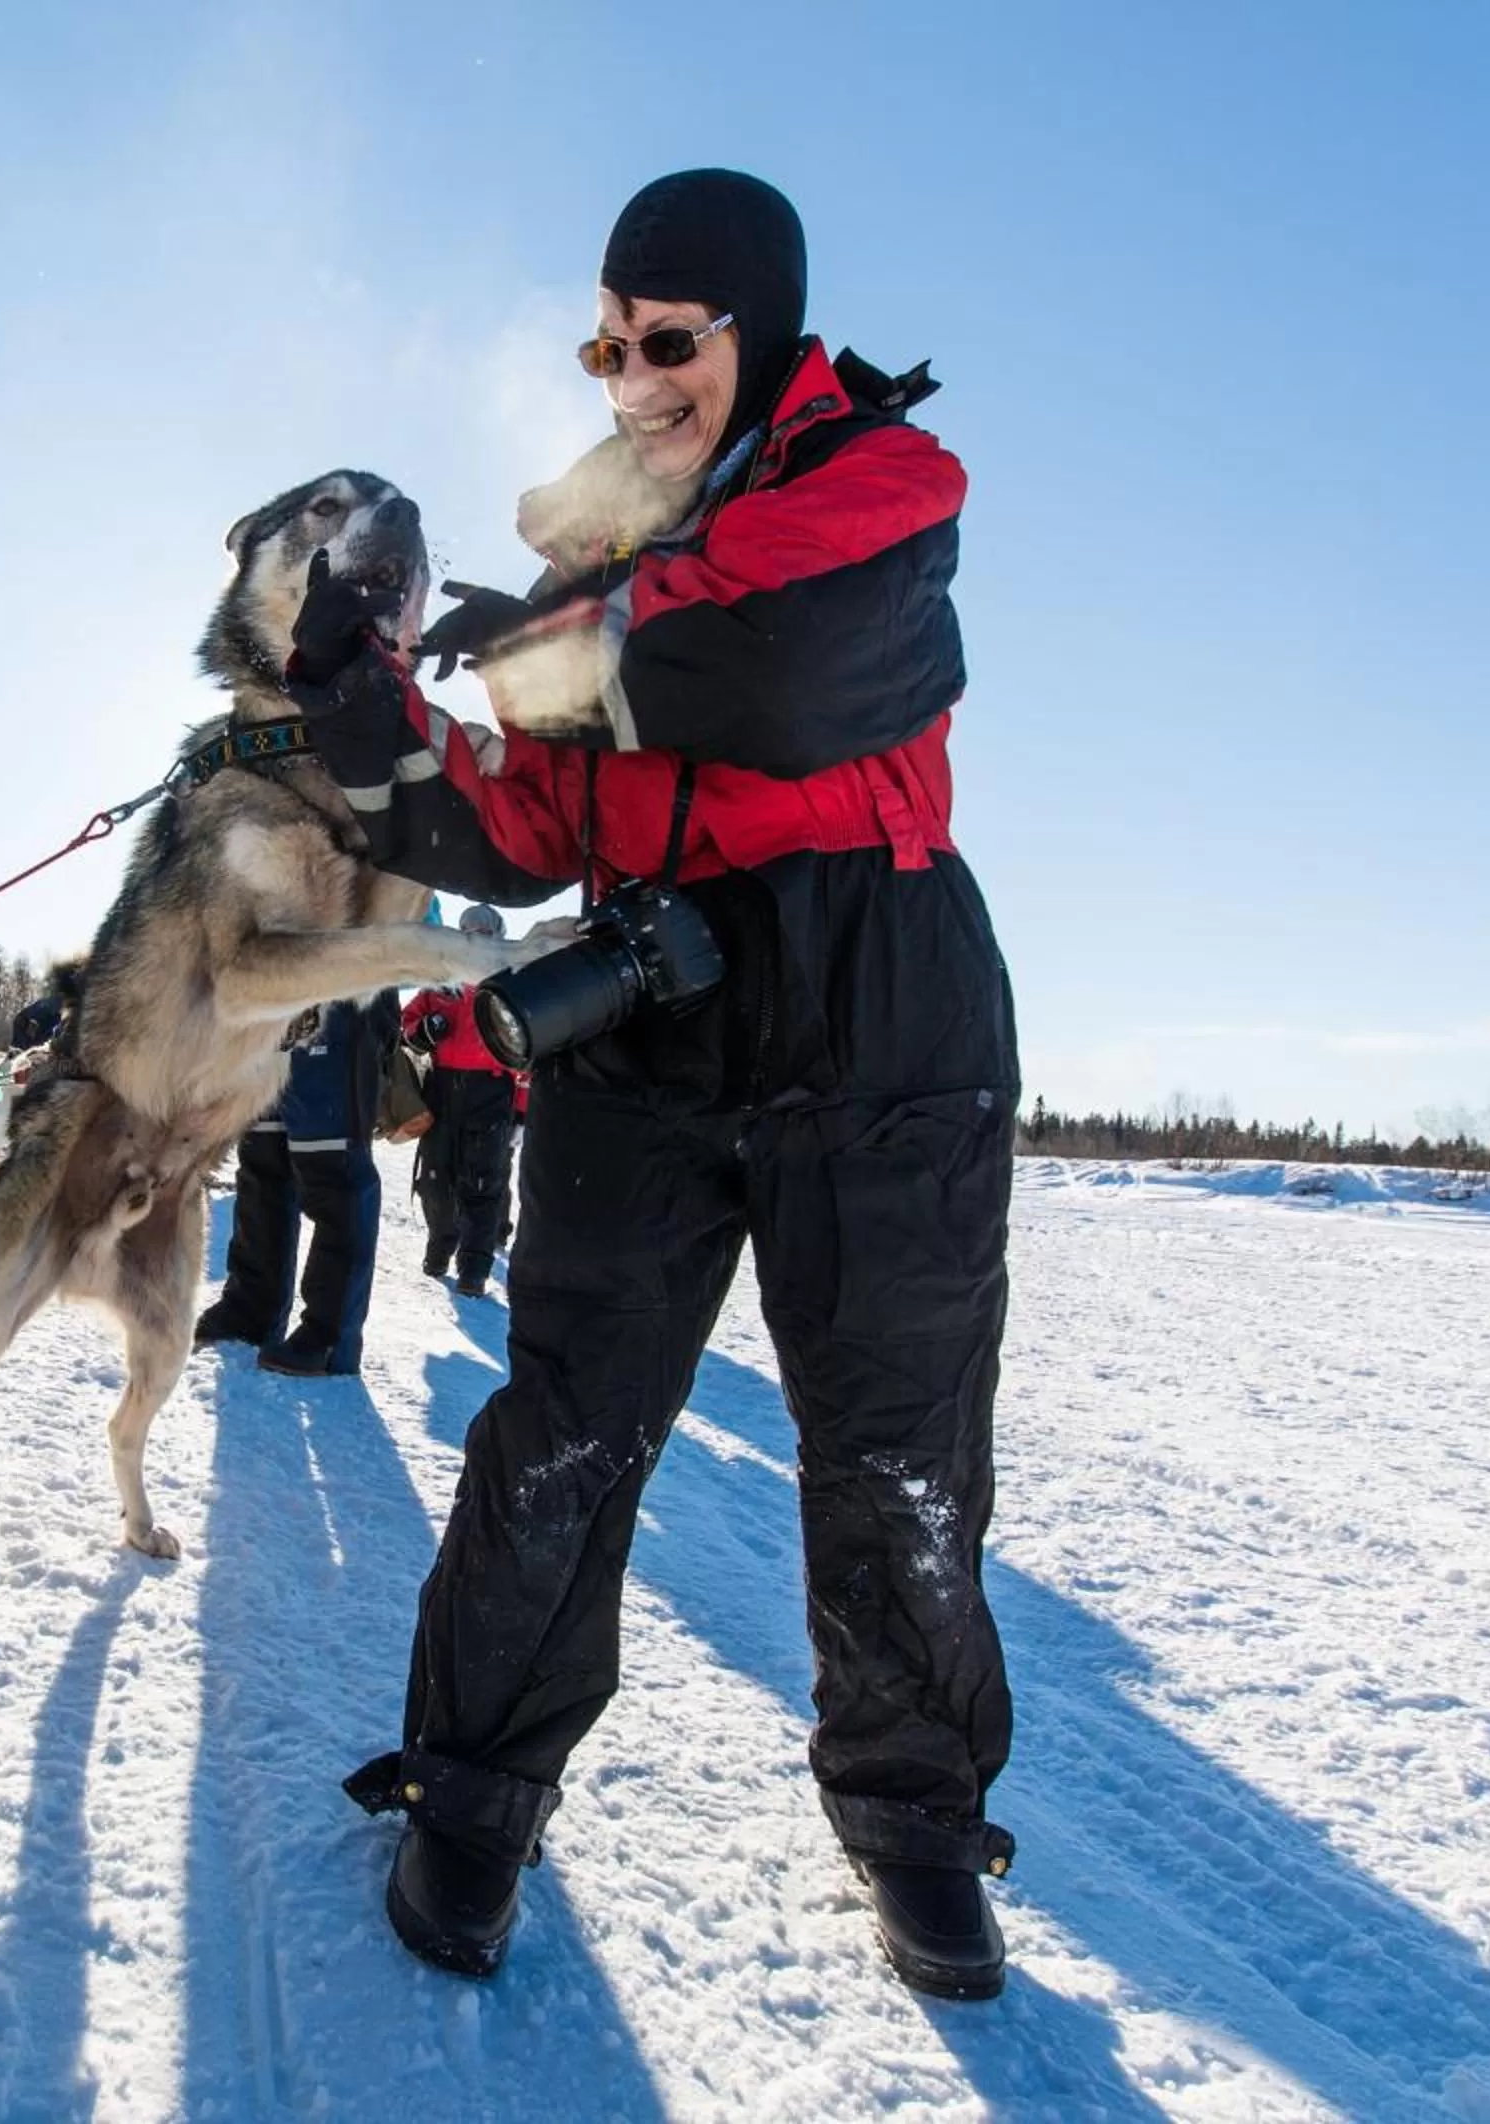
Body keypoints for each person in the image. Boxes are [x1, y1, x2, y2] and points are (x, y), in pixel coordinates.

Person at [295, 170, 1020, 1997]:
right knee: (566, 1420)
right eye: (608, 341)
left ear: (757, 333)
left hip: (881, 990)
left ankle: (916, 1814)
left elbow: (771, 672)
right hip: (647, 989)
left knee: (894, 1443)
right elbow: (526, 828)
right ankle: (473, 1788)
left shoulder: (880, 487)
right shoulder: (586, 567)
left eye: (671, 339)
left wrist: (547, 653)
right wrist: (387, 738)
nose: (633, 375)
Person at [195, 991, 399, 1377]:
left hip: (343, 996)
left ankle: (330, 1336)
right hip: (271, 1003)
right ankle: (251, 1310)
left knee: (334, 1172)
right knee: (261, 1166)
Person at [402, 904, 524, 1301]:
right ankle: (440, 1246)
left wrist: (521, 1111)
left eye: (484, 930)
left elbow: (529, 1050)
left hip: (491, 1094)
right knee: (435, 1179)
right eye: (468, 928)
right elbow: (407, 1025)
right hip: (442, 1090)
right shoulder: (442, 979)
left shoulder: (511, 981)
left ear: (497, 934)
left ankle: (474, 1267)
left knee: (482, 1183)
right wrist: (425, 1030)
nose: (475, 935)